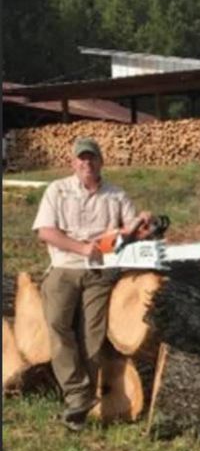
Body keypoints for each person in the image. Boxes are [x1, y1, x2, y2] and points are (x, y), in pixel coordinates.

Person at [33, 137, 150, 432]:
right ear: (73, 163)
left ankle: (80, 406)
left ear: (100, 162)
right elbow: (46, 232)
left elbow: (130, 232)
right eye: (81, 159)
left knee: (92, 335)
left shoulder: (116, 195)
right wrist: (81, 248)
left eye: (91, 158)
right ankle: (77, 395)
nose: (87, 163)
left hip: (101, 271)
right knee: (58, 325)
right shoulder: (57, 190)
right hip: (64, 266)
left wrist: (142, 226)